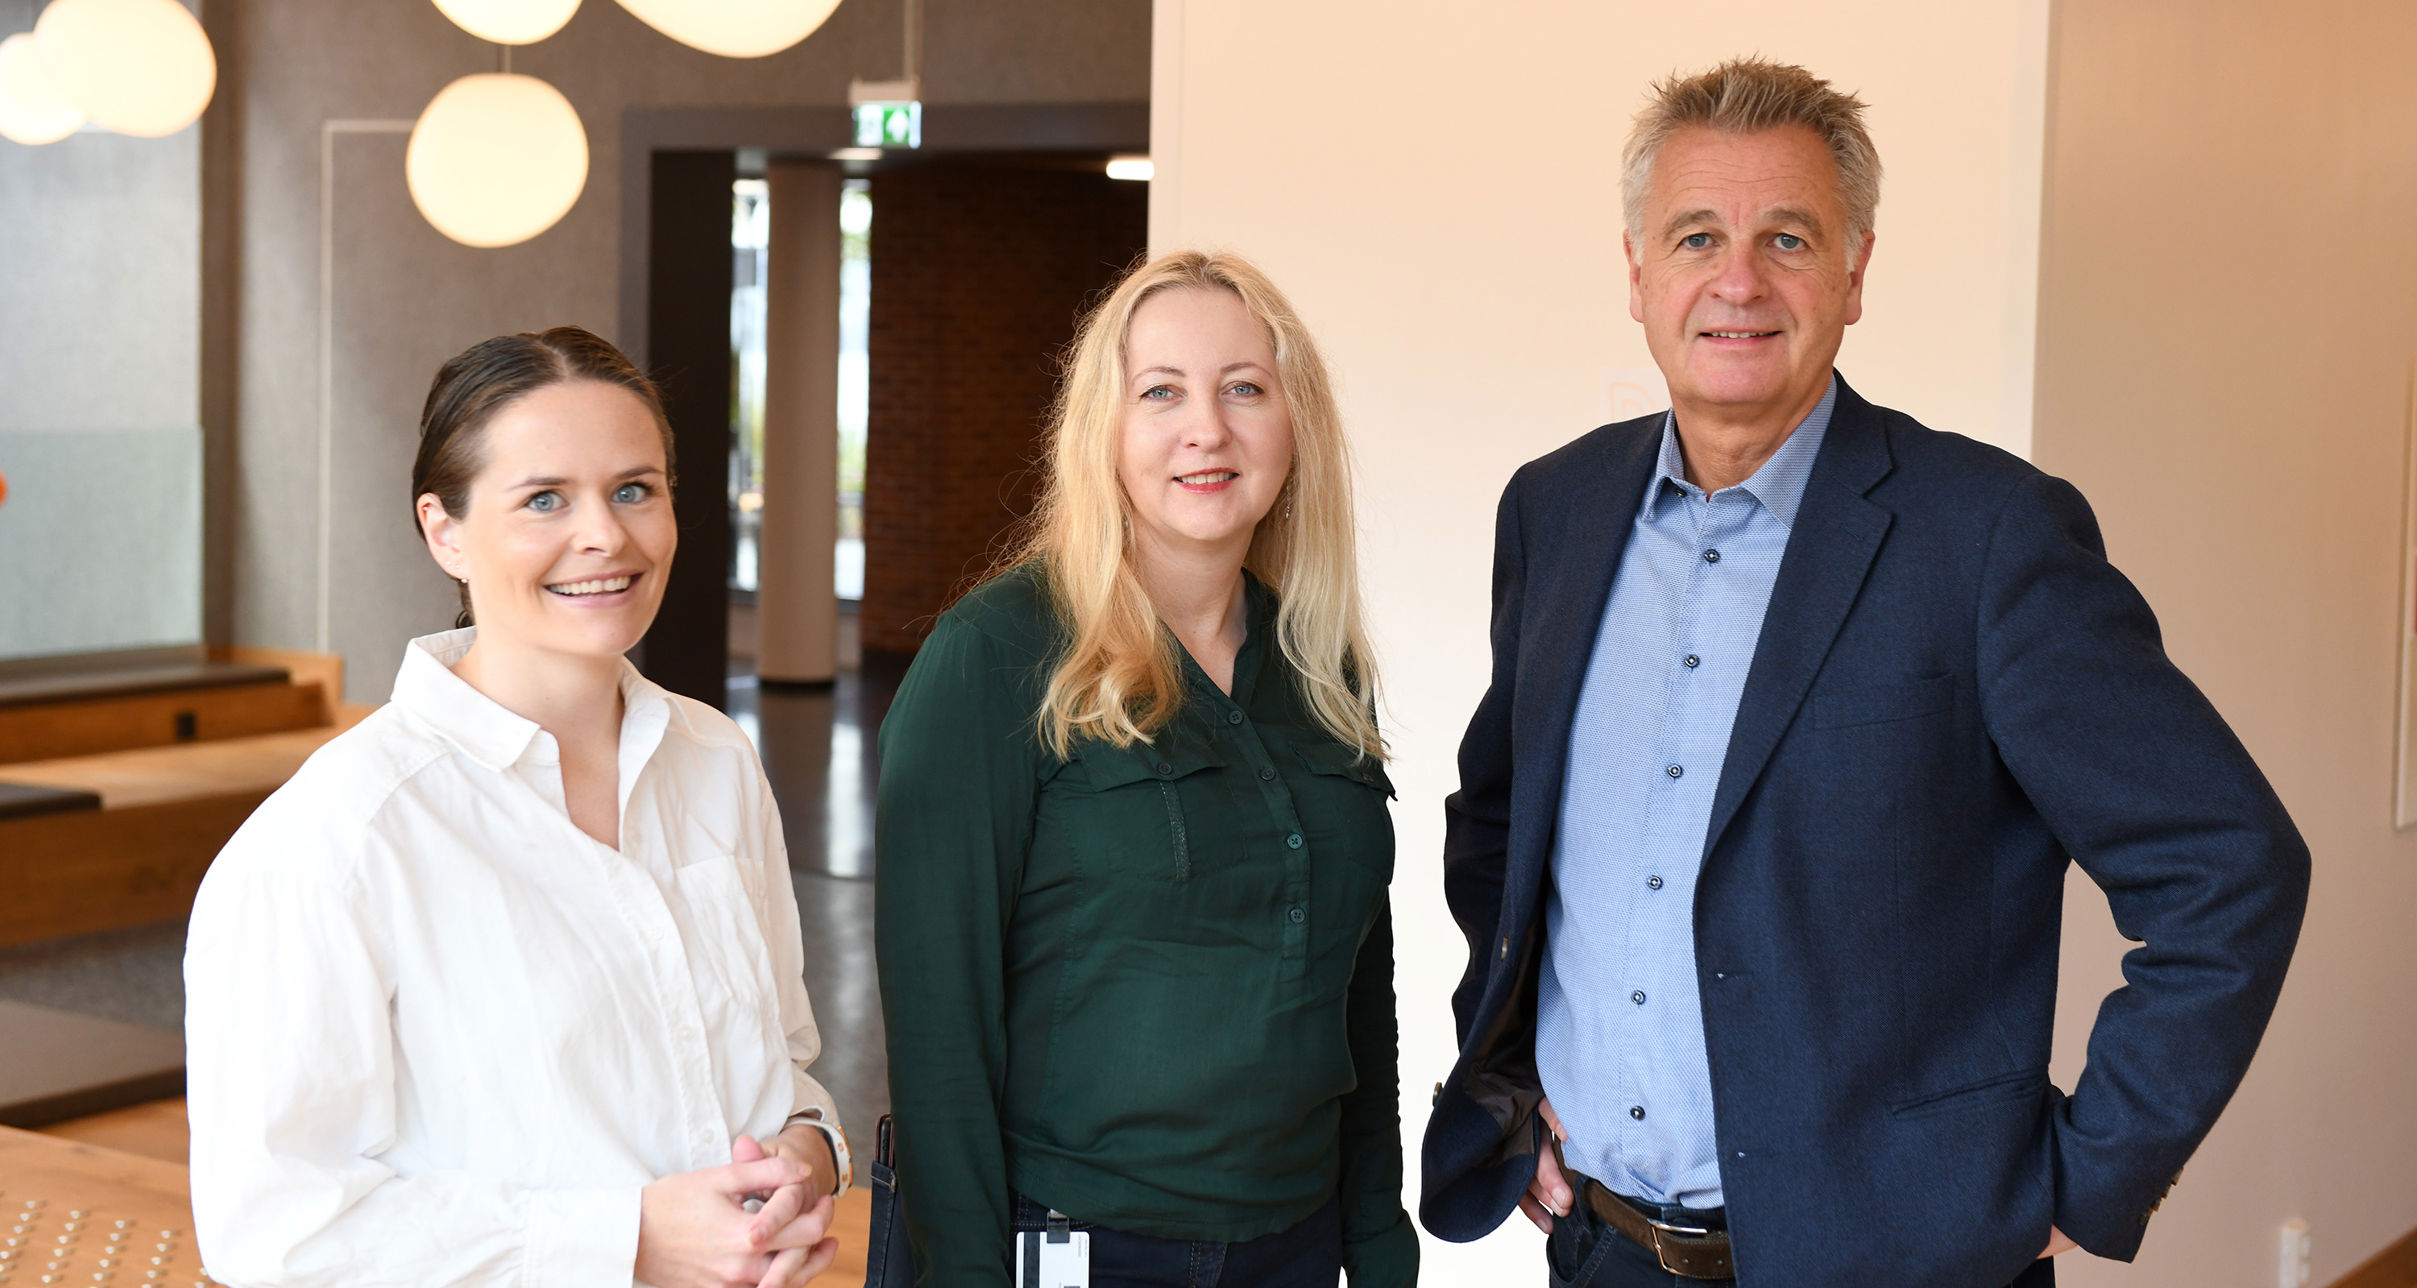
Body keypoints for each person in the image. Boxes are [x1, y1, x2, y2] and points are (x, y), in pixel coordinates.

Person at [1418, 58, 2310, 1288]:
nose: (1736, 280)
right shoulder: (1554, 510)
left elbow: (2227, 865)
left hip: (1897, 1264)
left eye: (1786, 236)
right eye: (1694, 237)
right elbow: (1502, 828)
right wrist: (1505, 1079)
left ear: (1852, 273)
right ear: (1637, 275)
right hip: (1601, 1252)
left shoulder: (1986, 537)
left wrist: (2092, 1170)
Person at [185, 327, 849, 1288]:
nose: (606, 537)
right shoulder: (331, 844)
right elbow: (275, 1233)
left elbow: (780, 1055)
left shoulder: (715, 758)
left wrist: (806, 1151)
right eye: (545, 499)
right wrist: (628, 1241)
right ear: (443, 530)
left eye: (636, 489)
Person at [875, 250, 1418, 1287]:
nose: (1205, 428)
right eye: (1160, 392)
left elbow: (1358, 983)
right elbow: (938, 1027)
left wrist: (1378, 1238)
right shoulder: (996, 654)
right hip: (1078, 1240)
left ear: (1293, 425)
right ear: (1104, 433)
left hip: (1293, 1243)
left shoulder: (1318, 660)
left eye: (1243, 389)